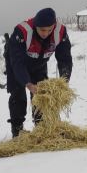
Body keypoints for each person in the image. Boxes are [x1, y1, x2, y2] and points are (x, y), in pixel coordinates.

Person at [5, 7, 73, 138]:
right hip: (17, 62)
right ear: (36, 25)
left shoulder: (60, 32)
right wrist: (28, 84)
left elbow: (65, 58)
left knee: (41, 93)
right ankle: (17, 130)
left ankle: (41, 128)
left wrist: (64, 81)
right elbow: (17, 63)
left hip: (39, 62)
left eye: (49, 29)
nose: (45, 33)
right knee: (18, 94)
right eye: (42, 30)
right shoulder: (22, 31)